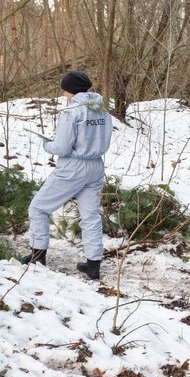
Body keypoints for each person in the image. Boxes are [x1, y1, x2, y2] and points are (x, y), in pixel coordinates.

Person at [21, 70, 113, 280]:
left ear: (71, 90)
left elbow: (62, 147)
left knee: (38, 208)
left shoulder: (72, 112)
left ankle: (37, 256)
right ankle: (93, 264)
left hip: (73, 167)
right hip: (96, 166)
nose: (64, 95)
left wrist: (46, 144)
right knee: (90, 216)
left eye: (65, 91)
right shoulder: (101, 109)